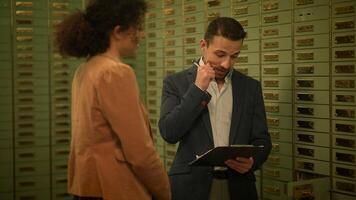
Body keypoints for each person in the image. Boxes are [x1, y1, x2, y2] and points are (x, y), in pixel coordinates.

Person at [55, 0, 171, 199]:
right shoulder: (115, 73)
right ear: (118, 31)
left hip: (88, 187)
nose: (141, 35)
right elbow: (140, 154)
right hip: (115, 188)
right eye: (138, 27)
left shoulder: (85, 70)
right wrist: (165, 192)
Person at [159, 17, 272, 200]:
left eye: (234, 56)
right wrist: (197, 89)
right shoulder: (175, 83)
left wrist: (253, 161)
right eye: (220, 55)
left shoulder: (250, 87)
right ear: (203, 45)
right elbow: (169, 132)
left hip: (239, 186)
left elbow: (262, 140)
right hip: (191, 187)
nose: (227, 64)